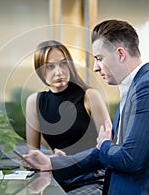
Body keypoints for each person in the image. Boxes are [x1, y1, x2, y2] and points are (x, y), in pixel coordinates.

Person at [23, 20, 149, 194]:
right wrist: (51, 162)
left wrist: (105, 145)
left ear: (120, 54)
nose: (95, 67)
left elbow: (128, 158)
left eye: (99, 58)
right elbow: (103, 152)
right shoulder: (133, 88)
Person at [25, 40, 111, 193]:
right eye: (50, 66)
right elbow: (34, 158)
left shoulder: (89, 96)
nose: (59, 72)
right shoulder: (34, 102)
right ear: (39, 70)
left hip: (92, 178)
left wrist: (60, 161)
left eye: (63, 64)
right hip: (58, 179)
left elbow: (110, 147)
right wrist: (54, 158)